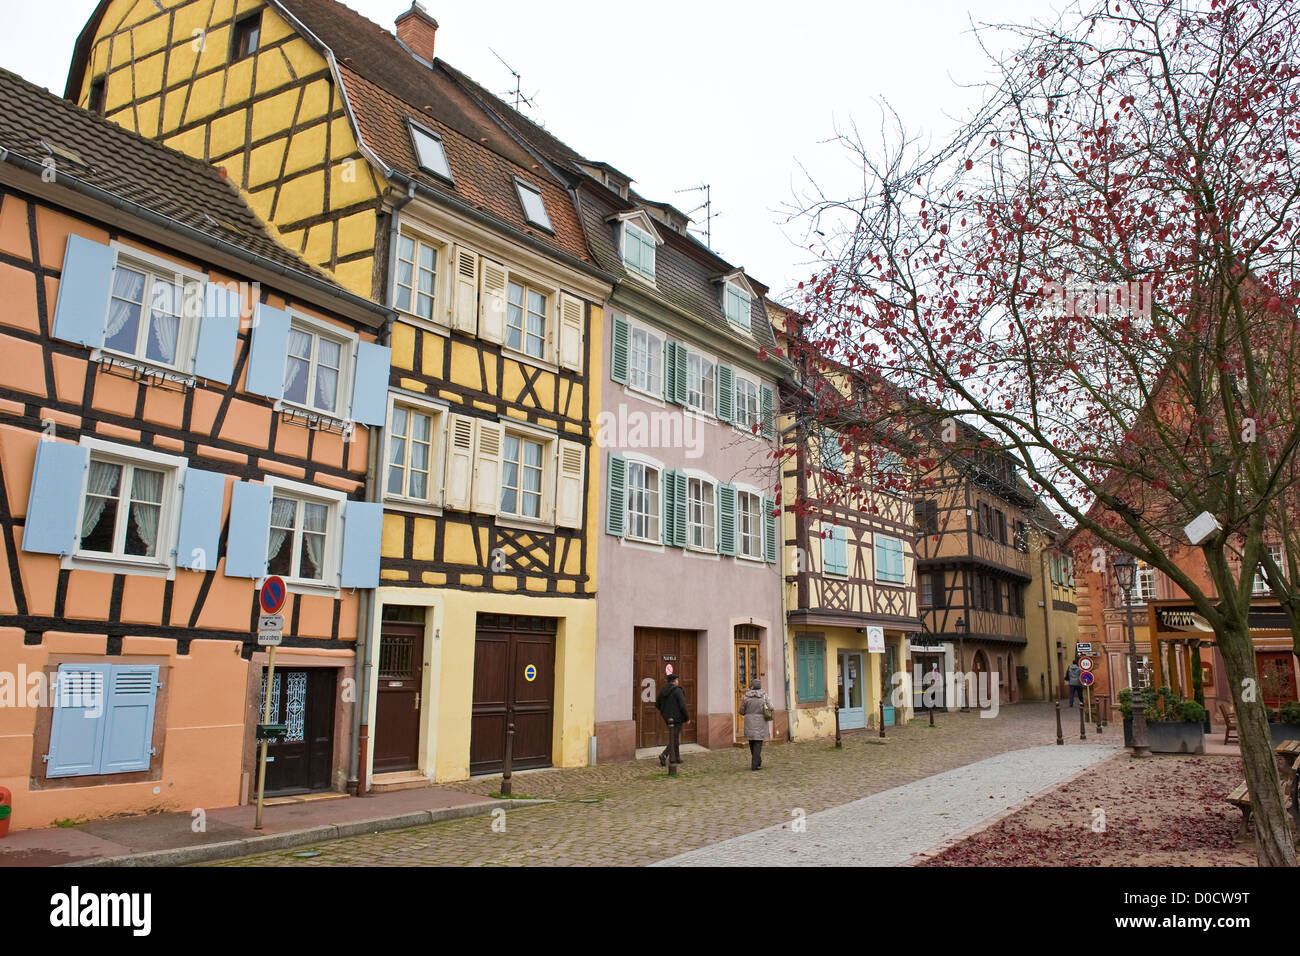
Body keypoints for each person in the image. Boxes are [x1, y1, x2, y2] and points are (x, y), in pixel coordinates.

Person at [738, 678, 773, 770]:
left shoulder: (746, 696)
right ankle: (755, 765)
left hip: (749, 721)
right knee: (758, 742)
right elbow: (771, 707)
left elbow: (741, 711)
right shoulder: (764, 695)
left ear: (752, 686)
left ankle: (757, 760)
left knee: (751, 741)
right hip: (761, 721)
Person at [655, 673, 689, 767]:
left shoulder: (663, 690)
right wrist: (687, 718)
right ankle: (664, 755)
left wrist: (665, 712)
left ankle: (677, 758)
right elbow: (682, 706)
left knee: (675, 737)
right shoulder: (677, 691)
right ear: (674, 681)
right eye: (677, 680)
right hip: (677, 718)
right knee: (674, 739)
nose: (678, 681)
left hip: (668, 718)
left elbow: (657, 704)